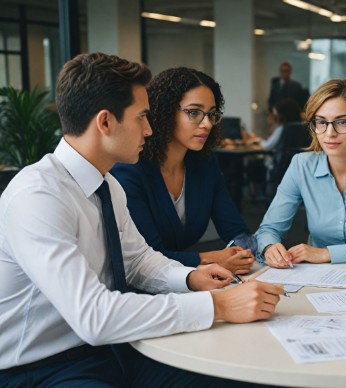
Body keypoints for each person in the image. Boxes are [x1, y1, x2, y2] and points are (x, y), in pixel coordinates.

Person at [0, 52, 283, 386]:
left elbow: (138, 262)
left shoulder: (107, 185)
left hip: (110, 348)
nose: (150, 129)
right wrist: (217, 306)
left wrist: (193, 278)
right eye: (142, 117)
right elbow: (94, 316)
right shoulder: (39, 196)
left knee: (236, 376)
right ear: (105, 122)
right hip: (40, 367)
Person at [111, 67, 254, 275]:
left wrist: (242, 251)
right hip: (139, 289)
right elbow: (147, 256)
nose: (206, 124)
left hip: (186, 280)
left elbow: (235, 229)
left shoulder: (204, 163)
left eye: (211, 114)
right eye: (194, 112)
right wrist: (207, 259)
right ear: (165, 111)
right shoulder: (129, 171)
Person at [255, 79, 346, 268]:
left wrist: (326, 254)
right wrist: (270, 247)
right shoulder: (301, 165)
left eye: (342, 122)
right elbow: (269, 229)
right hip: (316, 277)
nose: (330, 133)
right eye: (321, 122)